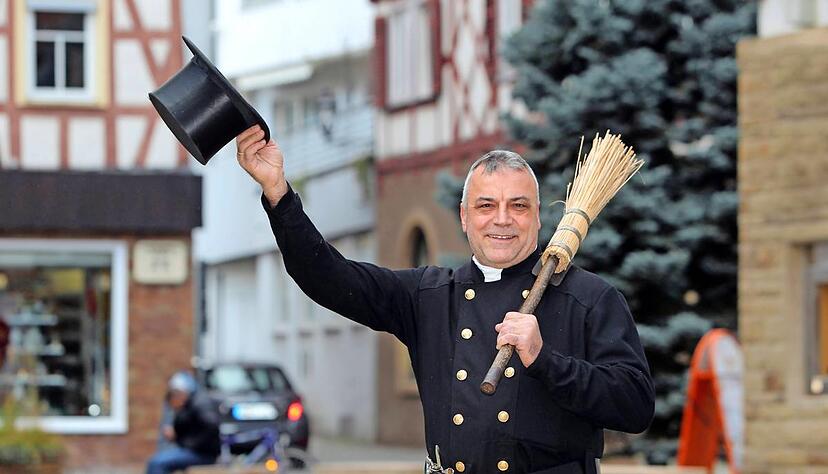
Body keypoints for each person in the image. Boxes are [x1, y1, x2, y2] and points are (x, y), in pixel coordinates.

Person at [236, 125, 655, 474]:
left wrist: (546, 359)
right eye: (486, 205)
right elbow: (326, 276)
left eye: (519, 206)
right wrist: (278, 192)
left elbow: (635, 407)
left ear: (539, 215)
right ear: (464, 216)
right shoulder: (430, 297)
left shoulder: (589, 298)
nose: (503, 219)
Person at [146, 371, 220, 474]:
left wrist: (190, 444)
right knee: (156, 461)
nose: (176, 408)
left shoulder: (199, 404)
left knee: (157, 463)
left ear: (179, 394)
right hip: (193, 450)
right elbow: (192, 428)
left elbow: (212, 427)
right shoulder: (190, 405)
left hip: (202, 453)